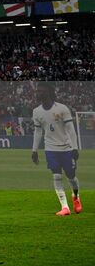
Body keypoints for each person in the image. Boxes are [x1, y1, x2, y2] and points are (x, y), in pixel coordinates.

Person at [31, 85, 82, 216]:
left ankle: (76, 198)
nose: (38, 92)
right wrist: (34, 150)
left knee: (71, 177)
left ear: (48, 91)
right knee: (57, 176)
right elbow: (38, 131)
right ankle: (65, 207)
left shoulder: (62, 108)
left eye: (40, 90)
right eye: (38, 90)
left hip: (66, 148)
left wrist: (75, 147)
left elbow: (71, 129)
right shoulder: (36, 111)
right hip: (50, 149)